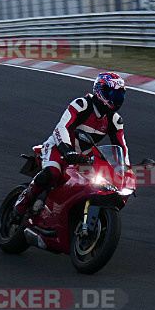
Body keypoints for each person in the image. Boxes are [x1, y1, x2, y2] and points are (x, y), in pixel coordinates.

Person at [11, 72, 129, 221]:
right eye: (111, 93)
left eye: (119, 95)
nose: (116, 99)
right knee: (52, 172)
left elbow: (121, 148)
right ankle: (22, 203)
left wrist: (125, 169)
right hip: (58, 148)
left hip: (84, 156)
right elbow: (62, 127)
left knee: (102, 182)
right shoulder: (82, 105)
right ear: (100, 91)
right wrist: (67, 150)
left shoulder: (115, 120)